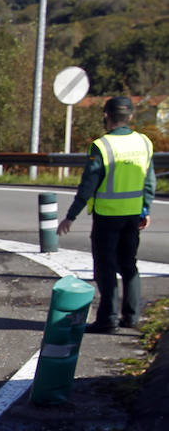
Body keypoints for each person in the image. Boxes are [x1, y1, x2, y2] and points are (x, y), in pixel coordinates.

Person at [57, 96, 156, 332]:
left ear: (106, 116)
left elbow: (88, 185)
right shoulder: (144, 142)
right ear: (130, 117)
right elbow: (149, 181)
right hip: (133, 214)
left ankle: (107, 319)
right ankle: (131, 318)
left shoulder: (101, 146)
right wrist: (146, 209)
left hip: (107, 216)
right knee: (129, 265)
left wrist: (71, 216)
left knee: (106, 267)